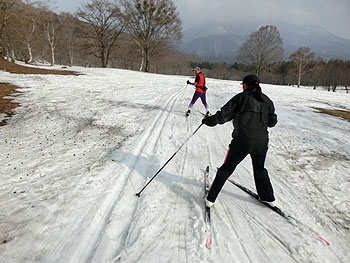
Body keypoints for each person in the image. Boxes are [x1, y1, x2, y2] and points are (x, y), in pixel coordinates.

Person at [201, 74, 278, 208]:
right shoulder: (267, 101)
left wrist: (209, 121)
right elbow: (272, 122)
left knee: (227, 168)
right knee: (260, 169)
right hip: (261, 142)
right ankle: (268, 198)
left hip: (242, 141)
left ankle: (210, 199)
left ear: (245, 85)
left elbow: (224, 114)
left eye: (243, 85)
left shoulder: (241, 98)